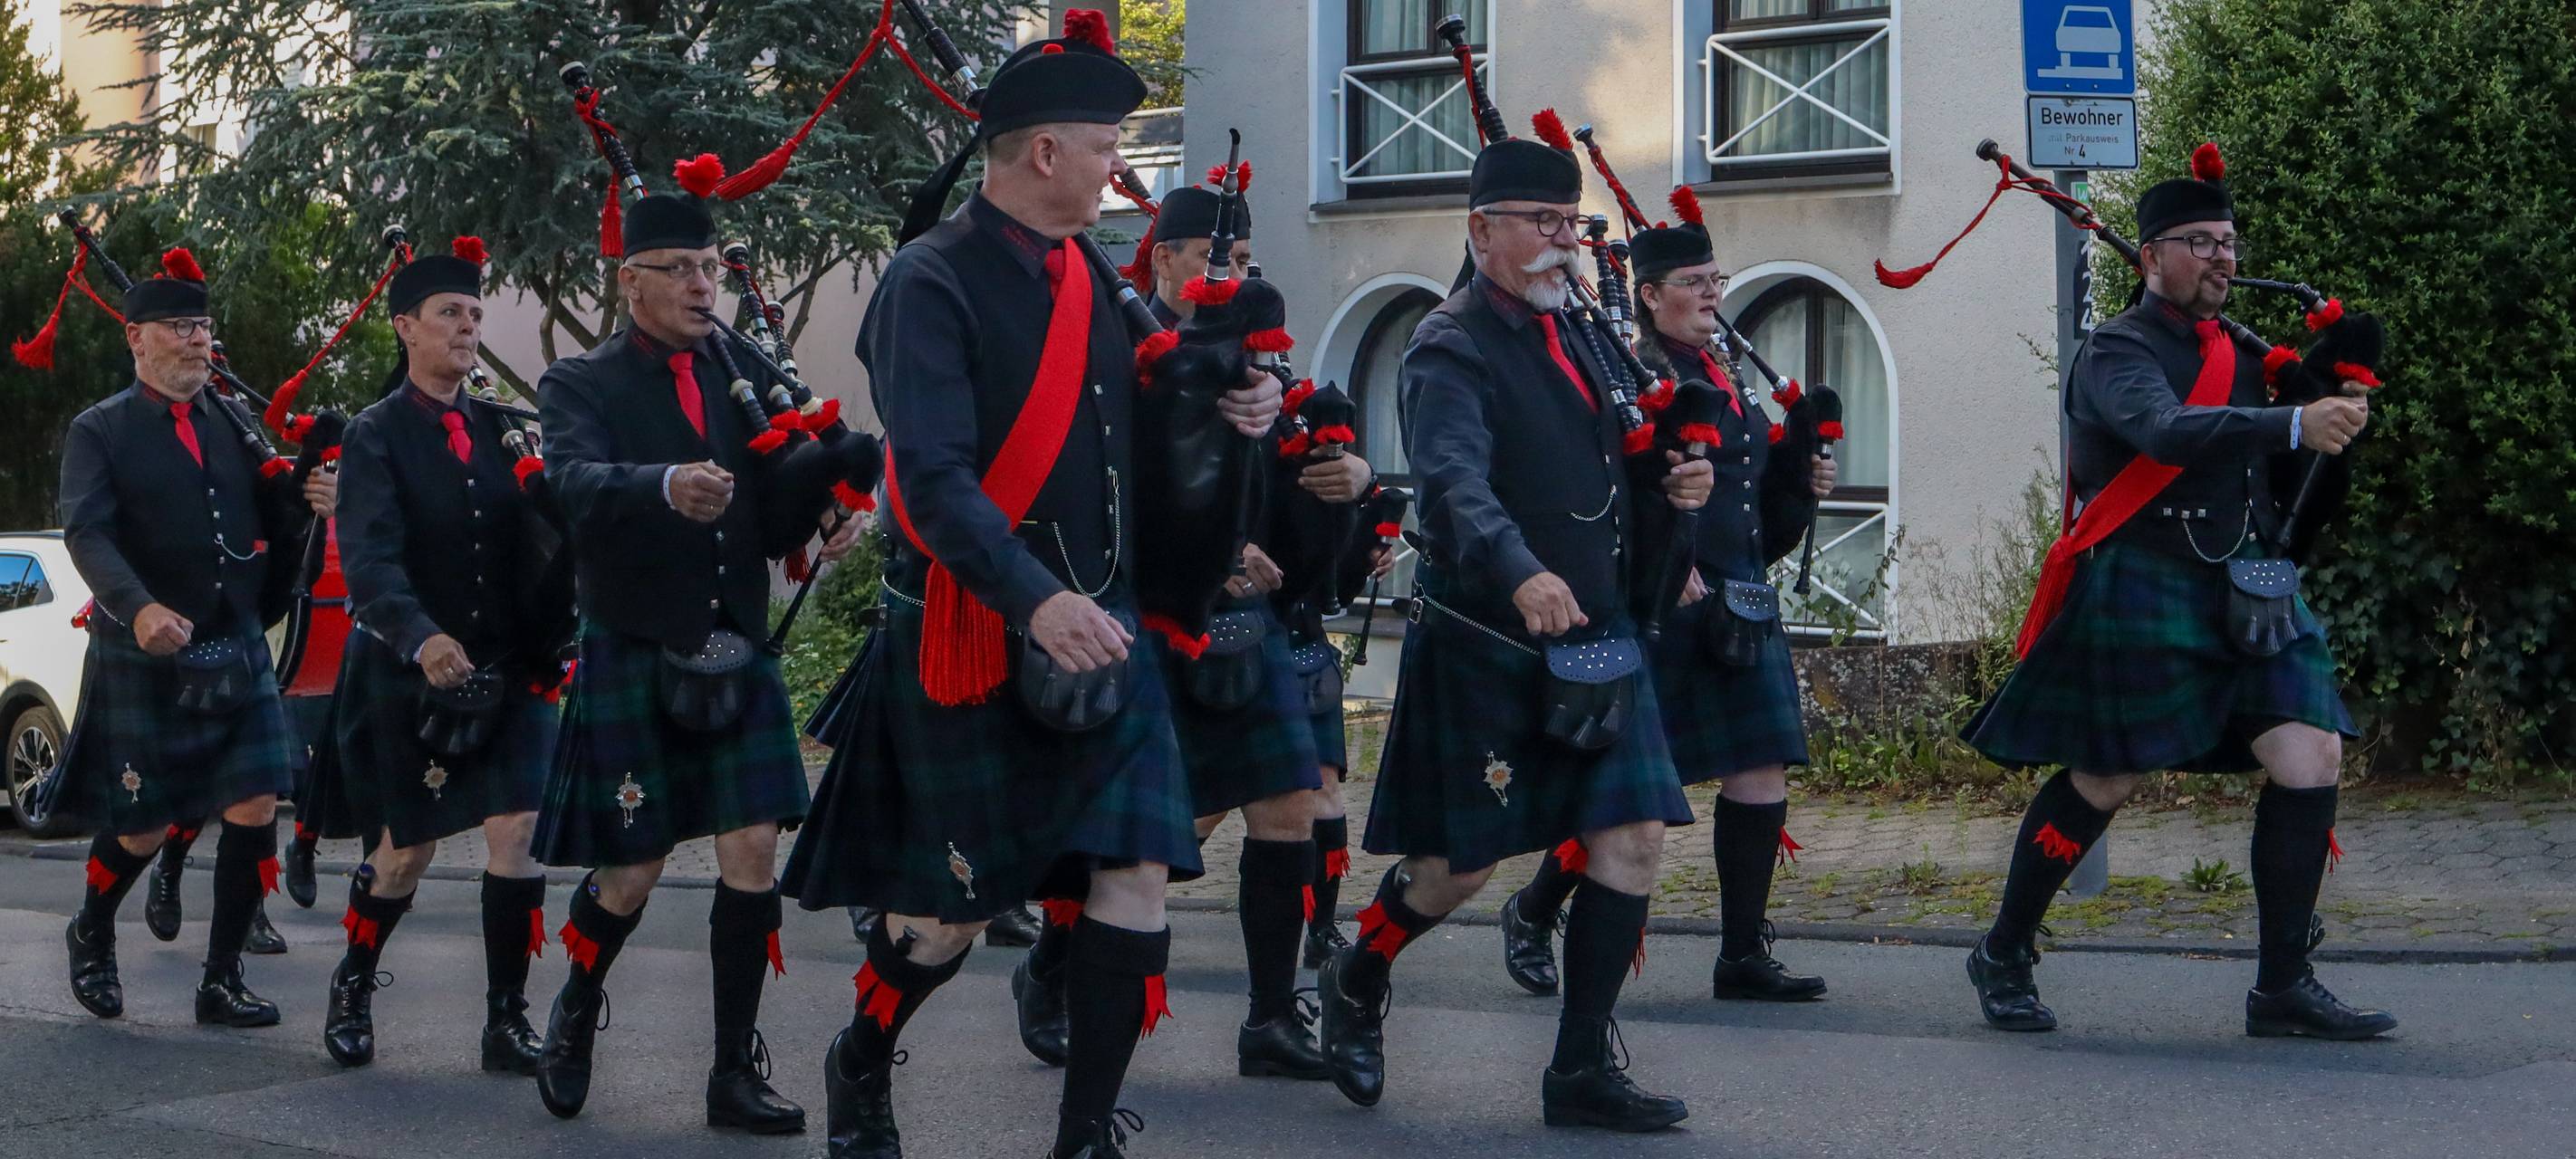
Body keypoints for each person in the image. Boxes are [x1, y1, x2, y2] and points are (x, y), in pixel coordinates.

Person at [779, 11, 1283, 1156]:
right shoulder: (930, 280)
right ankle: (863, 1052)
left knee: (1136, 875)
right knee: (946, 916)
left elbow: (1150, 416)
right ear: (1047, 154)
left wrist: (1233, 411)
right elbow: (937, 483)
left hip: (1101, 630)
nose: (1125, 166)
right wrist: (1034, 600)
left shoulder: (1098, 280)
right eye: (1109, 145)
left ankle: (1086, 1131)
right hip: (978, 629)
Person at [1312, 131, 1712, 1133]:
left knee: (1629, 837)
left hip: (1598, 631)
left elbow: (1617, 450)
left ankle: (1579, 1067)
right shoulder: (1448, 341)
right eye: (1538, 223)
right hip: (1491, 632)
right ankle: (1360, 968)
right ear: (1481, 229)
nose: (1559, 241)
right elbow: (1453, 480)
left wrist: (1677, 483)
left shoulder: (1577, 326)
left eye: (1567, 222)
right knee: (1461, 867)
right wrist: (1520, 567)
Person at [1959, 146, 2392, 1040]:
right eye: (2200, 242)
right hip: (2146, 576)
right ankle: (2004, 948)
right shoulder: (2116, 351)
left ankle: (2282, 984)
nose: (2223, 258)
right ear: (2151, 255)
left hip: (2248, 586)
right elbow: (2164, 427)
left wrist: (2333, 384)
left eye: (2229, 241)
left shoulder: (2241, 349)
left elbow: (2292, 463)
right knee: (2105, 776)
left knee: (2312, 754)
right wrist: (2289, 417)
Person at [524, 168, 858, 1134]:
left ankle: (731, 1067)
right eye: (681, 268)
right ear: (633, 281)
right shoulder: (579, 382)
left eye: (712, 267)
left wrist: (825, 506)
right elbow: (573, 484)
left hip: (736, 645)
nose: (704, 285)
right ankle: (579, 1003)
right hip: (637, 641)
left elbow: (772, 505)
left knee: (752, 848)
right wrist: (662, 483)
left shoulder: (741, 375)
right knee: (632, 869)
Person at [1496, 188, 1836, 1003]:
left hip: (1739, 601)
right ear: (1649, 295)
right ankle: (1533, 909)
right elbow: (1616, 486)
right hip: (1665, 603)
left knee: (1760, 775)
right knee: (1633, 792)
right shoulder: (1630, 371)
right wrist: (1660, 558)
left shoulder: (1724, 370)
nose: (1715, 292)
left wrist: (1800, 473)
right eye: (1696, 280)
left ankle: (1744, 954)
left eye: (1719, 278)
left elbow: (1752, 503)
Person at [57, 248, 335, 1028]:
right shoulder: (100, 431)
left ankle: (221, 979)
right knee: (143, 825)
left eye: (202, 328)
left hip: (232, 636)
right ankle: (92, 927)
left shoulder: (232, 424)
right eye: (179, 328)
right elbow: (87, 532)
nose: (195, 341)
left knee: (254, 802)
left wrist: (311, 498)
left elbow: (273, 521)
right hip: (145, 646)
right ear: (135, 339)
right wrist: (139, 606)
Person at [318, 238, 569, 1073]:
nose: (467, 329)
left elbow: (543, 530)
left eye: (473, 315)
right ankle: (354, 978)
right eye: (449, 316)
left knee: (520, 830)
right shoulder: (374, 435)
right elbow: (369, 556)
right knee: (403, 856)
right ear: (406, 330)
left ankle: (506, 1019)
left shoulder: (503, 428)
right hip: (407, 666)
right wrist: (421, 634)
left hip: (509, 664)